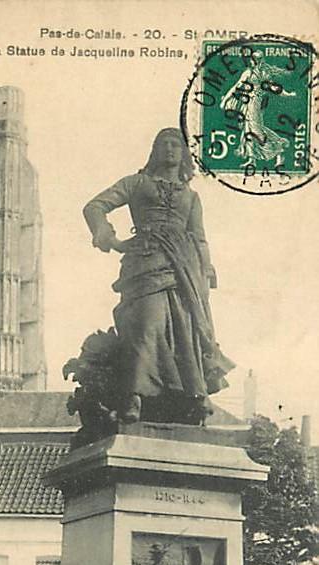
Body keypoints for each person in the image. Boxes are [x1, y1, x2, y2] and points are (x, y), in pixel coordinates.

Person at [83, 127, 234, 424]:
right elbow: (95, 206)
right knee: (146, 326)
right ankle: (133, 396)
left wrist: (206, 268)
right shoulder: (136, 183)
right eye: (163, 144)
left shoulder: (191, 197)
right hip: (145, 262)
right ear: (154, 151)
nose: (170, 149)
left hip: (184, 269)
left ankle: (192, 397)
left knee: (184, 329)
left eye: (176, 145)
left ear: (184, 155)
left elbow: (199, 237)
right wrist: (108, 237)